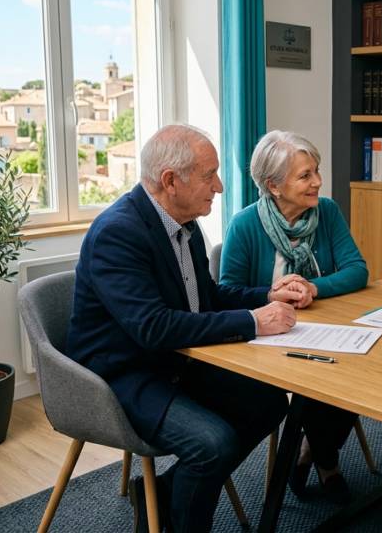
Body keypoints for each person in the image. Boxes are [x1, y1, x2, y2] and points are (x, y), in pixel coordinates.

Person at [66, 124, 308, 533]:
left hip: (175, 360)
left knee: (270, 404)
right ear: (170, 181)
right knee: (212, 444)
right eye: (209, 175)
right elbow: (153, 328)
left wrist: (266, 297)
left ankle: (162, 493)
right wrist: (253, 323)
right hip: (122, 373)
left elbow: (205, 298)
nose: (219, 186)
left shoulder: (185, 222)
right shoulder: (118, 233)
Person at [220, 130, 369, 504]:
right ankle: (326, 461)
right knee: (325, 377)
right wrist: (271, 297)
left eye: (316, 171)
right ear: (273, 185)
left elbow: (357, 270)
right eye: (305, 175)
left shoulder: (328, 212)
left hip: (322, 332)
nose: (318, 181)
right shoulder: (244, 225)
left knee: (357, 369)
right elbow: (226, 293)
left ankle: (311, 451)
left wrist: (314, 288)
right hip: (265, 341)